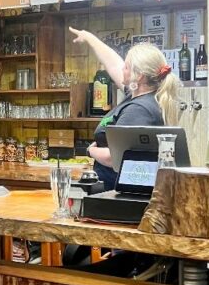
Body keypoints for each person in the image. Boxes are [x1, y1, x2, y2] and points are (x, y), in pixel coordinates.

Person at [69, 29, 181, 188]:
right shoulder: (140, 97)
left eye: (127, 67)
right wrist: (90, 38)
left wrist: (91, 151)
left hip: (116, 192)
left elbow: (114, 157)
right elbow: (114, 63)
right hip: (117, 190)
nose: (122, 69)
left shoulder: (138, 110)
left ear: (139, 76)